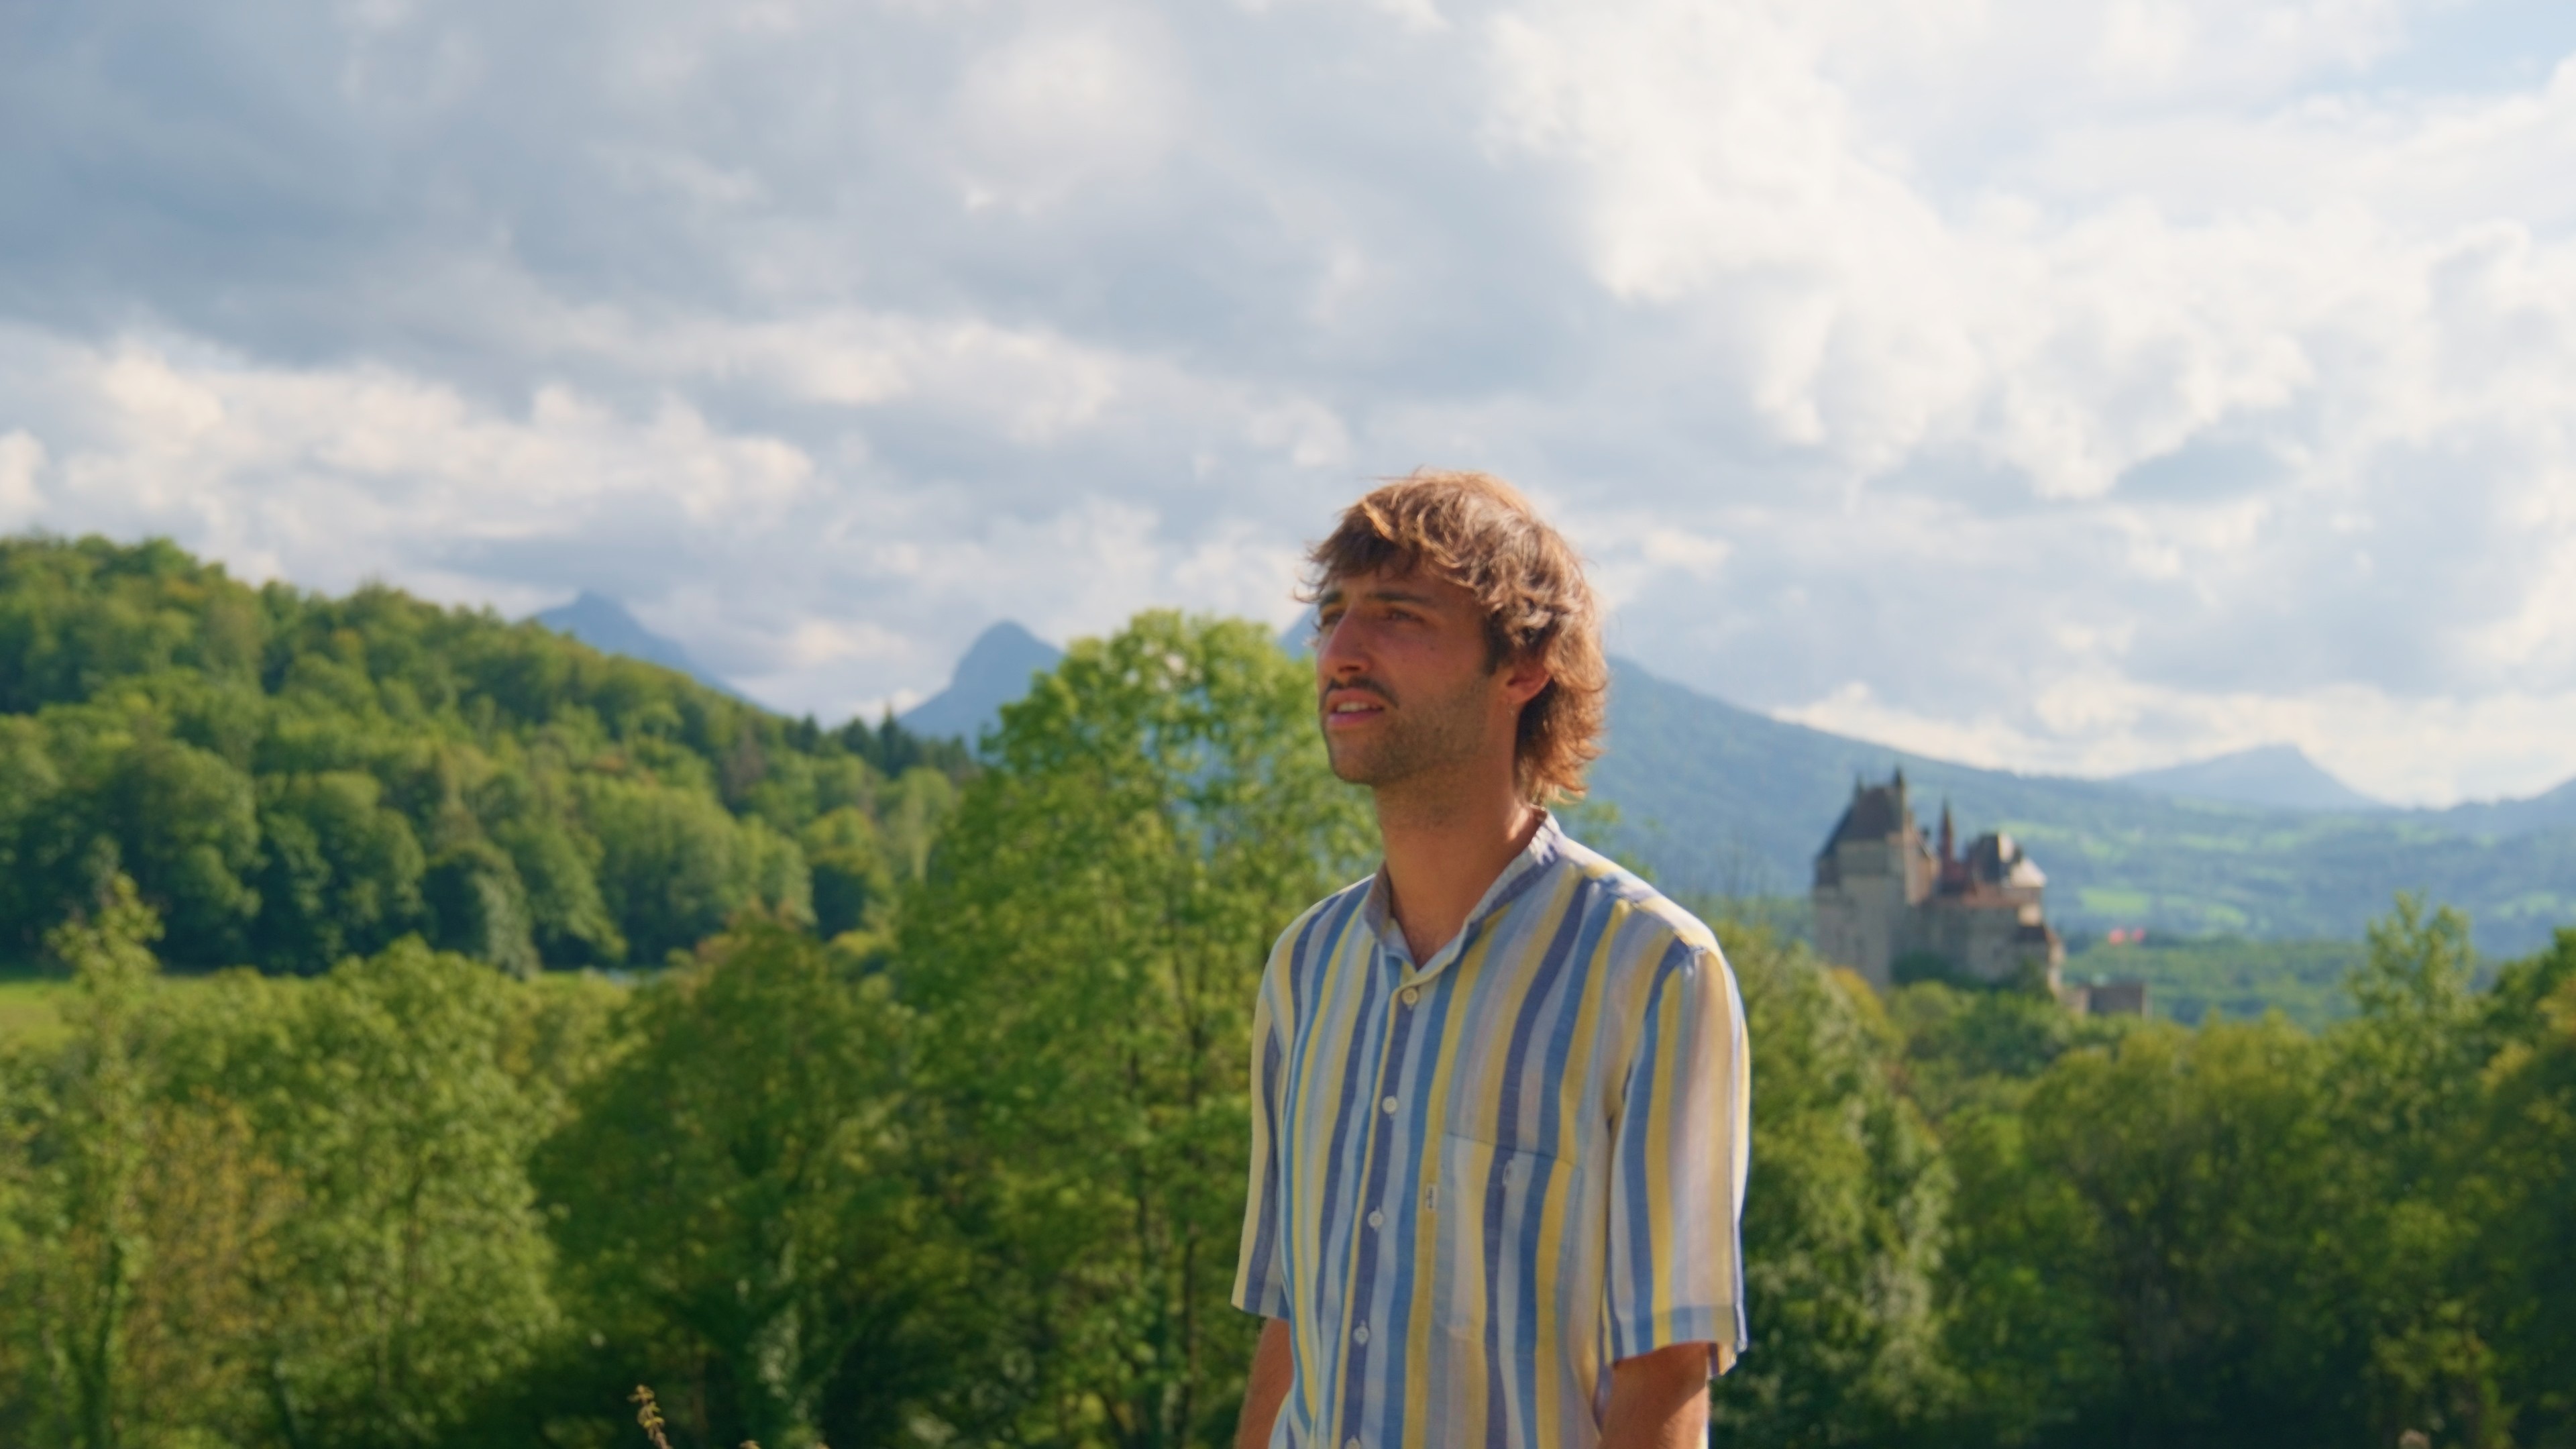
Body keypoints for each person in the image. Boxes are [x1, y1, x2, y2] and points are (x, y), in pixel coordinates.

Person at [1232, 471, 1751, 1449]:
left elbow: (1667, 1371)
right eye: (1333, 616)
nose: (1340, 652)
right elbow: (1291, 1325)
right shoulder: (1306, 969)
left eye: (1398, 616)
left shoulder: (1653, 973)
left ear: (1524, 666)